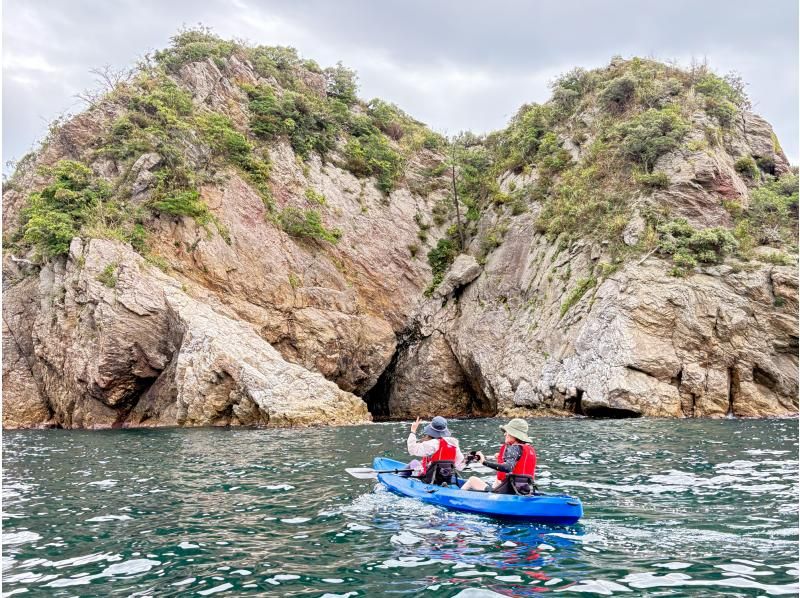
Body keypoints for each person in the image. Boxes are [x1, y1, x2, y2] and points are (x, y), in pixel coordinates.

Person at [461, 418, 536, 495]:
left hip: (509, 491)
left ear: (514, 434)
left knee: (472, 480)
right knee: (496, 482)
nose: (505, 434)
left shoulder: (514, 448)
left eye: (507, 432)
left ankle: (457, 497)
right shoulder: (527, 448)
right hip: (523, 490)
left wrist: (484, 462)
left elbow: (507, 468)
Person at [407, 416, 466, 485]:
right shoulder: (454, 443)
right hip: (446, 478)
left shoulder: (431, 444)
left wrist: (413, 431)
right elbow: (459, 465)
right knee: (421, 462)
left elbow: (412, 449)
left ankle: (399, 478)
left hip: (429, 480)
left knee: (414, 462)